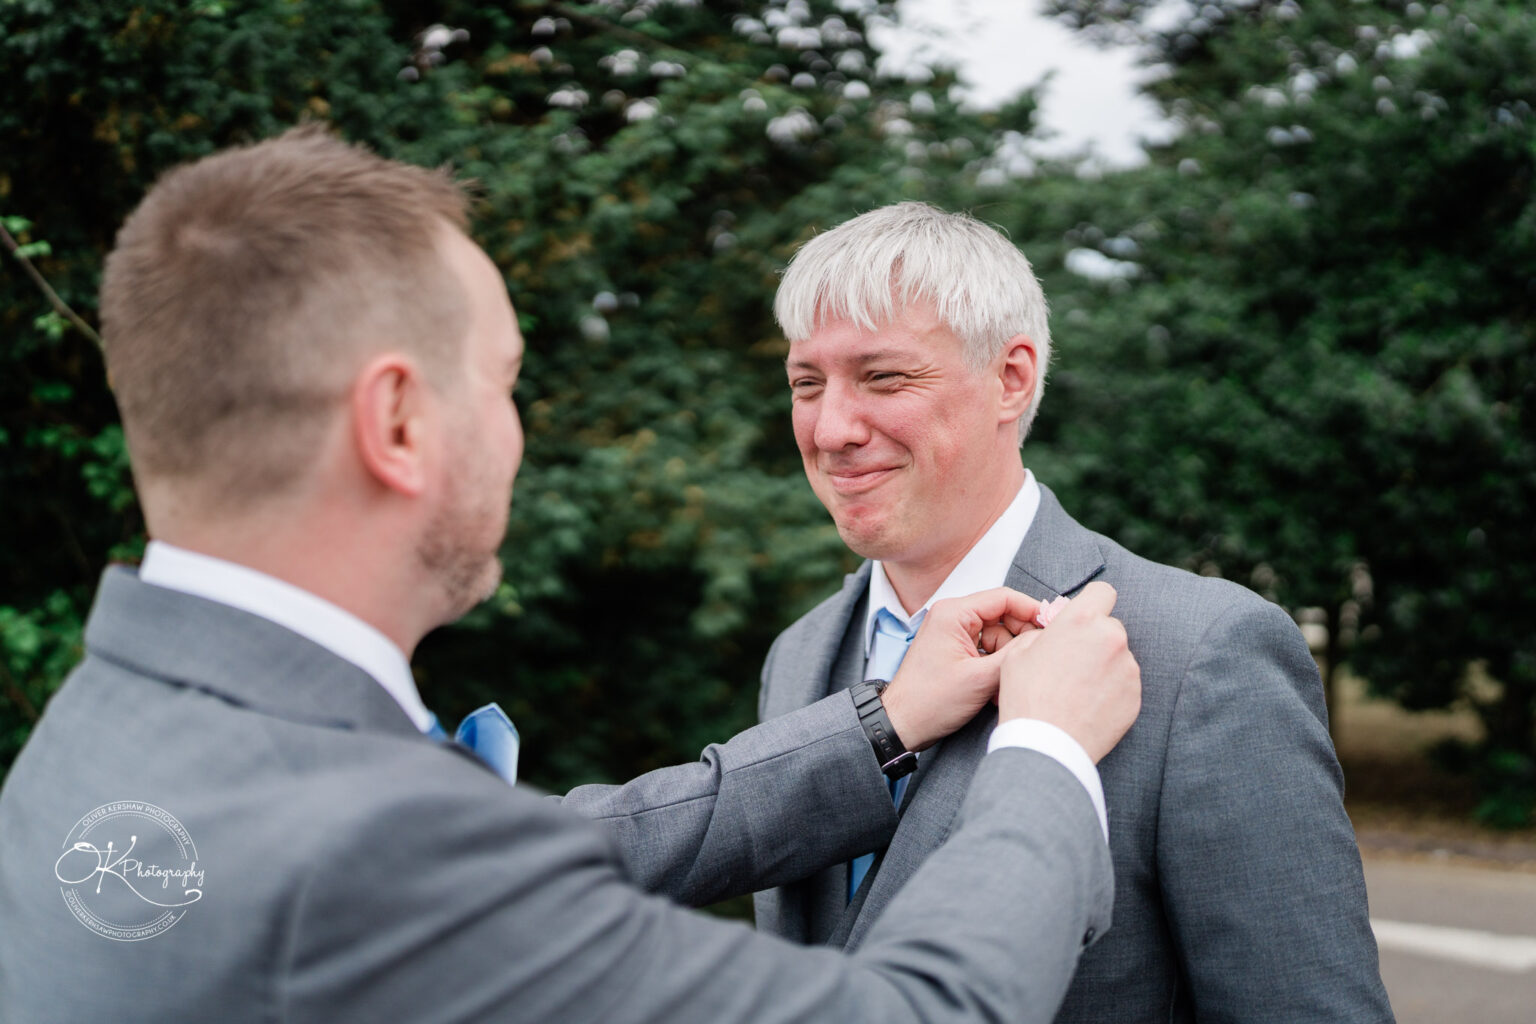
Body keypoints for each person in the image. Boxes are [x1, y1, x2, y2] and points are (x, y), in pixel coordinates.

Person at [0, 128, 1143, 1024]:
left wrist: (880, 723)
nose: (518, 434)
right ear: (398, 421)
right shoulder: (376, 842)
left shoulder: (92, 742)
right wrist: (1044, 753)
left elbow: (574, 842)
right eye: (502, 382)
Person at [757, 202, 1396, 1022]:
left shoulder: (1202, 652)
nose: (831, 428)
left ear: (1011, 378)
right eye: (806, 384)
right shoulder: (799, 653)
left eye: (883, 377)